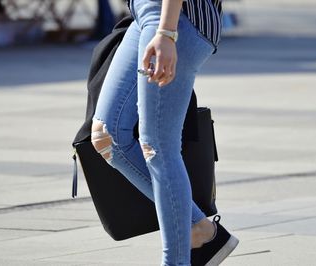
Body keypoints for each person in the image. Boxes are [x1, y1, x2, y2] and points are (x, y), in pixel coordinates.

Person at [90, 0, 238, 264]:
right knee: (106, 135)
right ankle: (201, 231)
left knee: (158, 145)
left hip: (175, 17)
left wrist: (167, 32)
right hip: (145, 15)